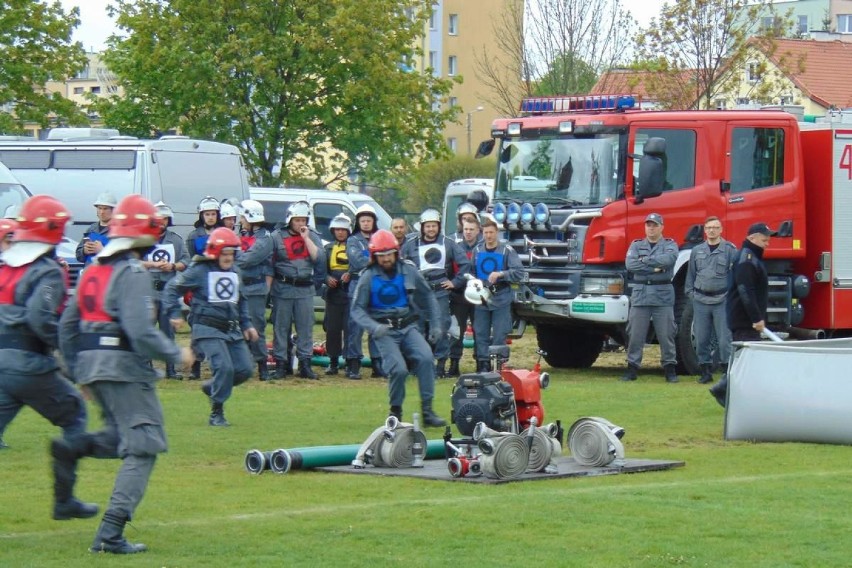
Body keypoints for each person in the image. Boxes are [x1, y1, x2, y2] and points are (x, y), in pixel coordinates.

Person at [59, 195, 194, 554]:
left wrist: (78, 371)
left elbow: (68, 325)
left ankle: (72, 447)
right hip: (122, 367)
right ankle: (110, 532)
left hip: (93, 364)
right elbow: (139, 329)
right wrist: (175, 353)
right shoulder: (132, 271)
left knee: (120, 437)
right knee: (144, 445)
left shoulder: (93, 268)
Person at [0, 196, 98, 522]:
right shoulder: (48, 271)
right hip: (29, 363)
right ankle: (64, 500)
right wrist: (71, 364)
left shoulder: (7, 264)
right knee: (74, 416)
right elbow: (41, 318)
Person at [350, 229, 446, 426]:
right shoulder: (367, 277)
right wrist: (373, 327)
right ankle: (395, 413)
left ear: (396, 252)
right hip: (383, 330)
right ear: (374, 256)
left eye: (389, 254)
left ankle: (427, 411)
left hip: (408, 326)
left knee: (426, 358)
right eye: (381, 255)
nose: (386, 259)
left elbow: (427, 295)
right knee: (399, 370)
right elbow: (357, 309)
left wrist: (436, 325)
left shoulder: (409, 270)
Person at [164, 227, 257, 426]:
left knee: (244, 370)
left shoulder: (235, 272)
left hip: (232, 329)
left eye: (231, 253)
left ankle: (213, 387)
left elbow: (241, 300)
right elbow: (172, 288)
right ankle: (217, 412)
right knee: (223, 367)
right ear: (215, 252)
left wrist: (247, 324)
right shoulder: (199, 270)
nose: (228, 257)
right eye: (224, 253)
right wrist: (174, 313)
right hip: (207, 327)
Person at [709, 223, 774, 407]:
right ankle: (723, 387)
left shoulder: (751, 257)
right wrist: (756, 318)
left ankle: (729, 389)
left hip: (744, 319)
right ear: (752, 238)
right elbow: (746, 291)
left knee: (744, 358)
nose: (767, 243)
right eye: (764, 239)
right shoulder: (747, 259)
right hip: (745, 321)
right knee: (747, 360)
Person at [400, 208, 469, 378]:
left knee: (441, 327)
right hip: (418, 294)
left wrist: (455, 282)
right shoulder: (410, 244)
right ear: (422, 227)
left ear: (438, 226)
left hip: (440, 292)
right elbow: (399, 266)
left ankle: (440, 365)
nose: (431, 229)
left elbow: (465, 264)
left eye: (434, 226)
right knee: (418, 328)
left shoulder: (448, 243)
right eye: (428, 226)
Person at [621, 213, 679, 383]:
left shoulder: (670, 244)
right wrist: (655, 267)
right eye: (648, 225)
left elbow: (669, 259)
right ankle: (632, 368)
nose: (651, 228)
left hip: (663, 292)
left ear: (662, 227)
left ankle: (669, 369)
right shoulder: (636, 245)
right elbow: (630, 265)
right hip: (641, 292)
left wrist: (644, 261)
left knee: (666, 333)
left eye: (654, 225)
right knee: (635, 333)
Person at [269, 201, 325, 379]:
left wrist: (306, 238)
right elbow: (270, 262)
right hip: (283, 288)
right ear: (290, 220)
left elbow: (318, 258)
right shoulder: (276, 236)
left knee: (305, 328)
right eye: (297, 220)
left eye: (303, 220)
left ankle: (305, 364)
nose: (300, 223)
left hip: (304, 288)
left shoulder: (312, 236)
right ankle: (281, 363)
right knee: (281, 327)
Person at [684, 216, 737, 384]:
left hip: (722, 300)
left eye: (715, 227)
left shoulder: (729, 250)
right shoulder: (696, 251)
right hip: (700, 300)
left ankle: (725, 373)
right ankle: (705, 372)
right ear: (705, 231)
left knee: (724, 340)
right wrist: (692, 295)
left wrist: (731, 298)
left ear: (721, 230)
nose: (712, 230)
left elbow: (735, 276)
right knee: (701, 339)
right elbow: (690, 276)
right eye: (709, 228)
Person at [468, 214, 523, 372]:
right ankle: (483, 365)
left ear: (496, 233)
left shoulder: (506, 250)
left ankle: (498, 366)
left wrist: (501, 274)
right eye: (485, 233)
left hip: (501, 297)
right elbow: (472, 271)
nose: (488, 236)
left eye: (491, 232)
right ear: (482, 233)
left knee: (500, 333)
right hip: (482, 297)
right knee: (480, 333)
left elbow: (519, 272)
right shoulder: (477, 250)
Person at [141, 202, 189, 379]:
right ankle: (146, 367)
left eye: (165, 219)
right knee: (147, 330)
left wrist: (174, 266)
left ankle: (171, 369)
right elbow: (133, 261)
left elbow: (187, 261)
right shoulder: (143, 239)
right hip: (148, 291)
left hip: (168, 292)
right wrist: (152, 264)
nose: (161, 222)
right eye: (159, 218)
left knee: (168, 332)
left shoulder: (176, 240)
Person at [236, 199, 274, 380]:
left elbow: (245, 260)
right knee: (238, 326)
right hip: (241, 287)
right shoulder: (242, 235)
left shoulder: (265, 238)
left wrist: (233, 255)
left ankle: (262, 365)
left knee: (256, 327)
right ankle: (243, 364)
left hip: (255, 288)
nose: (240, 220)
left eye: (243, 217)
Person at [185, 196, 222, 378]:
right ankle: (195, 367)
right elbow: (191, 262)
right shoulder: (194, 236)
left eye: (213, 214)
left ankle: (218, 365)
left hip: (220, 287)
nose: (210, 217)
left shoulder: (224, 233)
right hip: (201, 287)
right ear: (202, 215)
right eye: (207, 214)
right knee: (197, 327)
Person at [345, 204, 383, 379]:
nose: (366, 223)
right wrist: (376, 258)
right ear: (358, 222)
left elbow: (389, 259)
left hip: (376, 287)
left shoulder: (380, 238)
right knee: (355, 327)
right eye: (363, 221)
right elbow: (357, 260)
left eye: (369, 220)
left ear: (374, 221)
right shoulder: (352, 240)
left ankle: (377, 363)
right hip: (357, 286)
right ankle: (353, 364)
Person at [448, 216, 482, 376]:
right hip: (458, 296)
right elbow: (449, 269)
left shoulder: (482, 248)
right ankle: (454, 364)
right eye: (465, 229)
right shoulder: (455, 248)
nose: (468, 232)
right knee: (457, 331)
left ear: (478, 231)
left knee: (479, 330)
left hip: (478, 296)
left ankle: (481, 363)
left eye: (471, 229)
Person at [322, 213, 352, 377]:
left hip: (349, 292)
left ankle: (349, 361)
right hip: (333, 294)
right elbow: (322, 270)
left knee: (349, 328)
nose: (340, 232)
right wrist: (327, 279)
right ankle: (333, 361)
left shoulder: (354, 247)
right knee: (332, 329)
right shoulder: (327, 249)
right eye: (337, 229)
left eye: (343, 229)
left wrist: (350, 274)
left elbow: (360, 265)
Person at [75, 191, 117, 264]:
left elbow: (123, 261)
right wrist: (84, 251)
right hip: (90, 273)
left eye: (105, 209)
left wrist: (103, 251)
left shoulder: (118, 232)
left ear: (113, 210)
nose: (102, 212)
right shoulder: (91, 229)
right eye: (99, 208)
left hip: (109, 274)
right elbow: (78, 256)